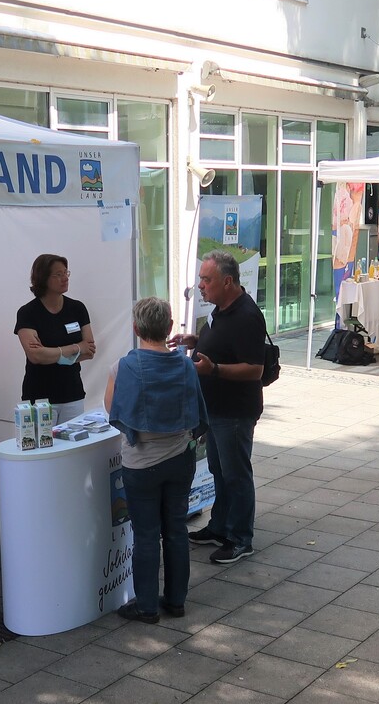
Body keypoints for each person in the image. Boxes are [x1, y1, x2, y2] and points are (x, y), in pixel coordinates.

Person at [107, 297, 209, 623]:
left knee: (146, 534)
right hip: (180, 458)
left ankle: (147, 606)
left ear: (136, 328)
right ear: (168, 328)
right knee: (176, 530)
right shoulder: (185, 365)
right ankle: (176, 601)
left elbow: (114, 410)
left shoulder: (123, 367)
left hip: (140, 464)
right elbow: (197, 411)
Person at [169, 250, 266, 566]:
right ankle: (219, 526)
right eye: (200, 278)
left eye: (206, 279)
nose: (200, 285)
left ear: (227, 281)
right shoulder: (221, 309)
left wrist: (214, 369)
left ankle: (240, 539)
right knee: (219, 471)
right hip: (215, 409)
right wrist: (194, 341)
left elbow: (255, 368)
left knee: (236, 474)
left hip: (235, 411)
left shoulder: (247, 316)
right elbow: (221, 343)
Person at [15, 254, 96, 423]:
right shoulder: (28, 313)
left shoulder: (77, 308)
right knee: (43, 447)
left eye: (66, 273)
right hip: (39, 397)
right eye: (58, 274)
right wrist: (74, 348)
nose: (65, 278)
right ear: (43, 278)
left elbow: (89, 351)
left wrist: (49, 353)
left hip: (72, 394)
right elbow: (35, 356)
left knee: (73, 448)